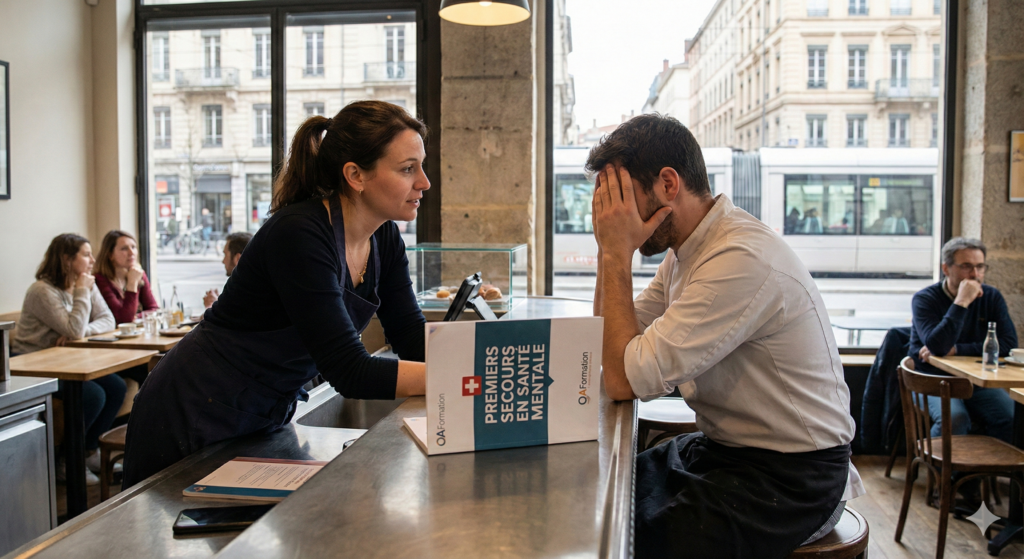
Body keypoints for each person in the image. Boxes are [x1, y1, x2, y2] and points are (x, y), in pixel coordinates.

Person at [588, 114, 862, 558]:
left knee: (632, 538)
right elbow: (613, 338)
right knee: (604, 491)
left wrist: (616, 252)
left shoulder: (739, 257)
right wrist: (608, 249)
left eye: (620, 197)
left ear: (668, 184)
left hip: (793, 477)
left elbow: (623, 379)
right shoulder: (687, 251)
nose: (612, 215)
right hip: (725, 451)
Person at [122, 101, 430, 487]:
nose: (424, 182)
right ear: (355, 175)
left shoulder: (384, 238)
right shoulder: (300, 234)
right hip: (193, 408)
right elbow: (351, 371)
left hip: (262, 411)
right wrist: (463, 375)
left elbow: (410, 335)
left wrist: (483, 357)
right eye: (408, 168)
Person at [12, 234, 123, 486]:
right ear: (66, 259)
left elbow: (108, 320)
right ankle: (67, 462)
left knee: (116, 387)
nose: (92, 260)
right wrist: (82, 294)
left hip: (66, 359)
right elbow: (74, 329)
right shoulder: (42, 291)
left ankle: (88, 451)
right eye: (86, 254)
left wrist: (83, 331)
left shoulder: (86, 283)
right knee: (92, 395)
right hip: (33, 363)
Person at [909, 237, 1017, 443]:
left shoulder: (991, 296)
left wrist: (957, 349)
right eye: (966, 266)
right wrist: (962, 301)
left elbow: (1009, 344)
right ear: (946, 269)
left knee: (1011, 416)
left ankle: (986, 463)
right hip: (934, 379)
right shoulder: (925, 299)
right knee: (956, 419)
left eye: (980, 267)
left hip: (976, 381)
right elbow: (938, 346)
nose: (975, 274)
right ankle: (937, 465)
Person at [94, 230, 159, 324]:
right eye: (124, 248)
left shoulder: (138, 274)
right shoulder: (100, 280)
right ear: (110, 255)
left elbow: (154, 309)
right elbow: (123, 319)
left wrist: (136, 316)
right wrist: (132, 283)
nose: (131, 252)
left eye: (133, 247)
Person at [203, 231, 253, 308]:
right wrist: (219, 303)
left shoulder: (243, 290)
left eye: (225, 254)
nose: (223, 261)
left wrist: (211, 306)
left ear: (238, 259)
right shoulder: (253, 284)